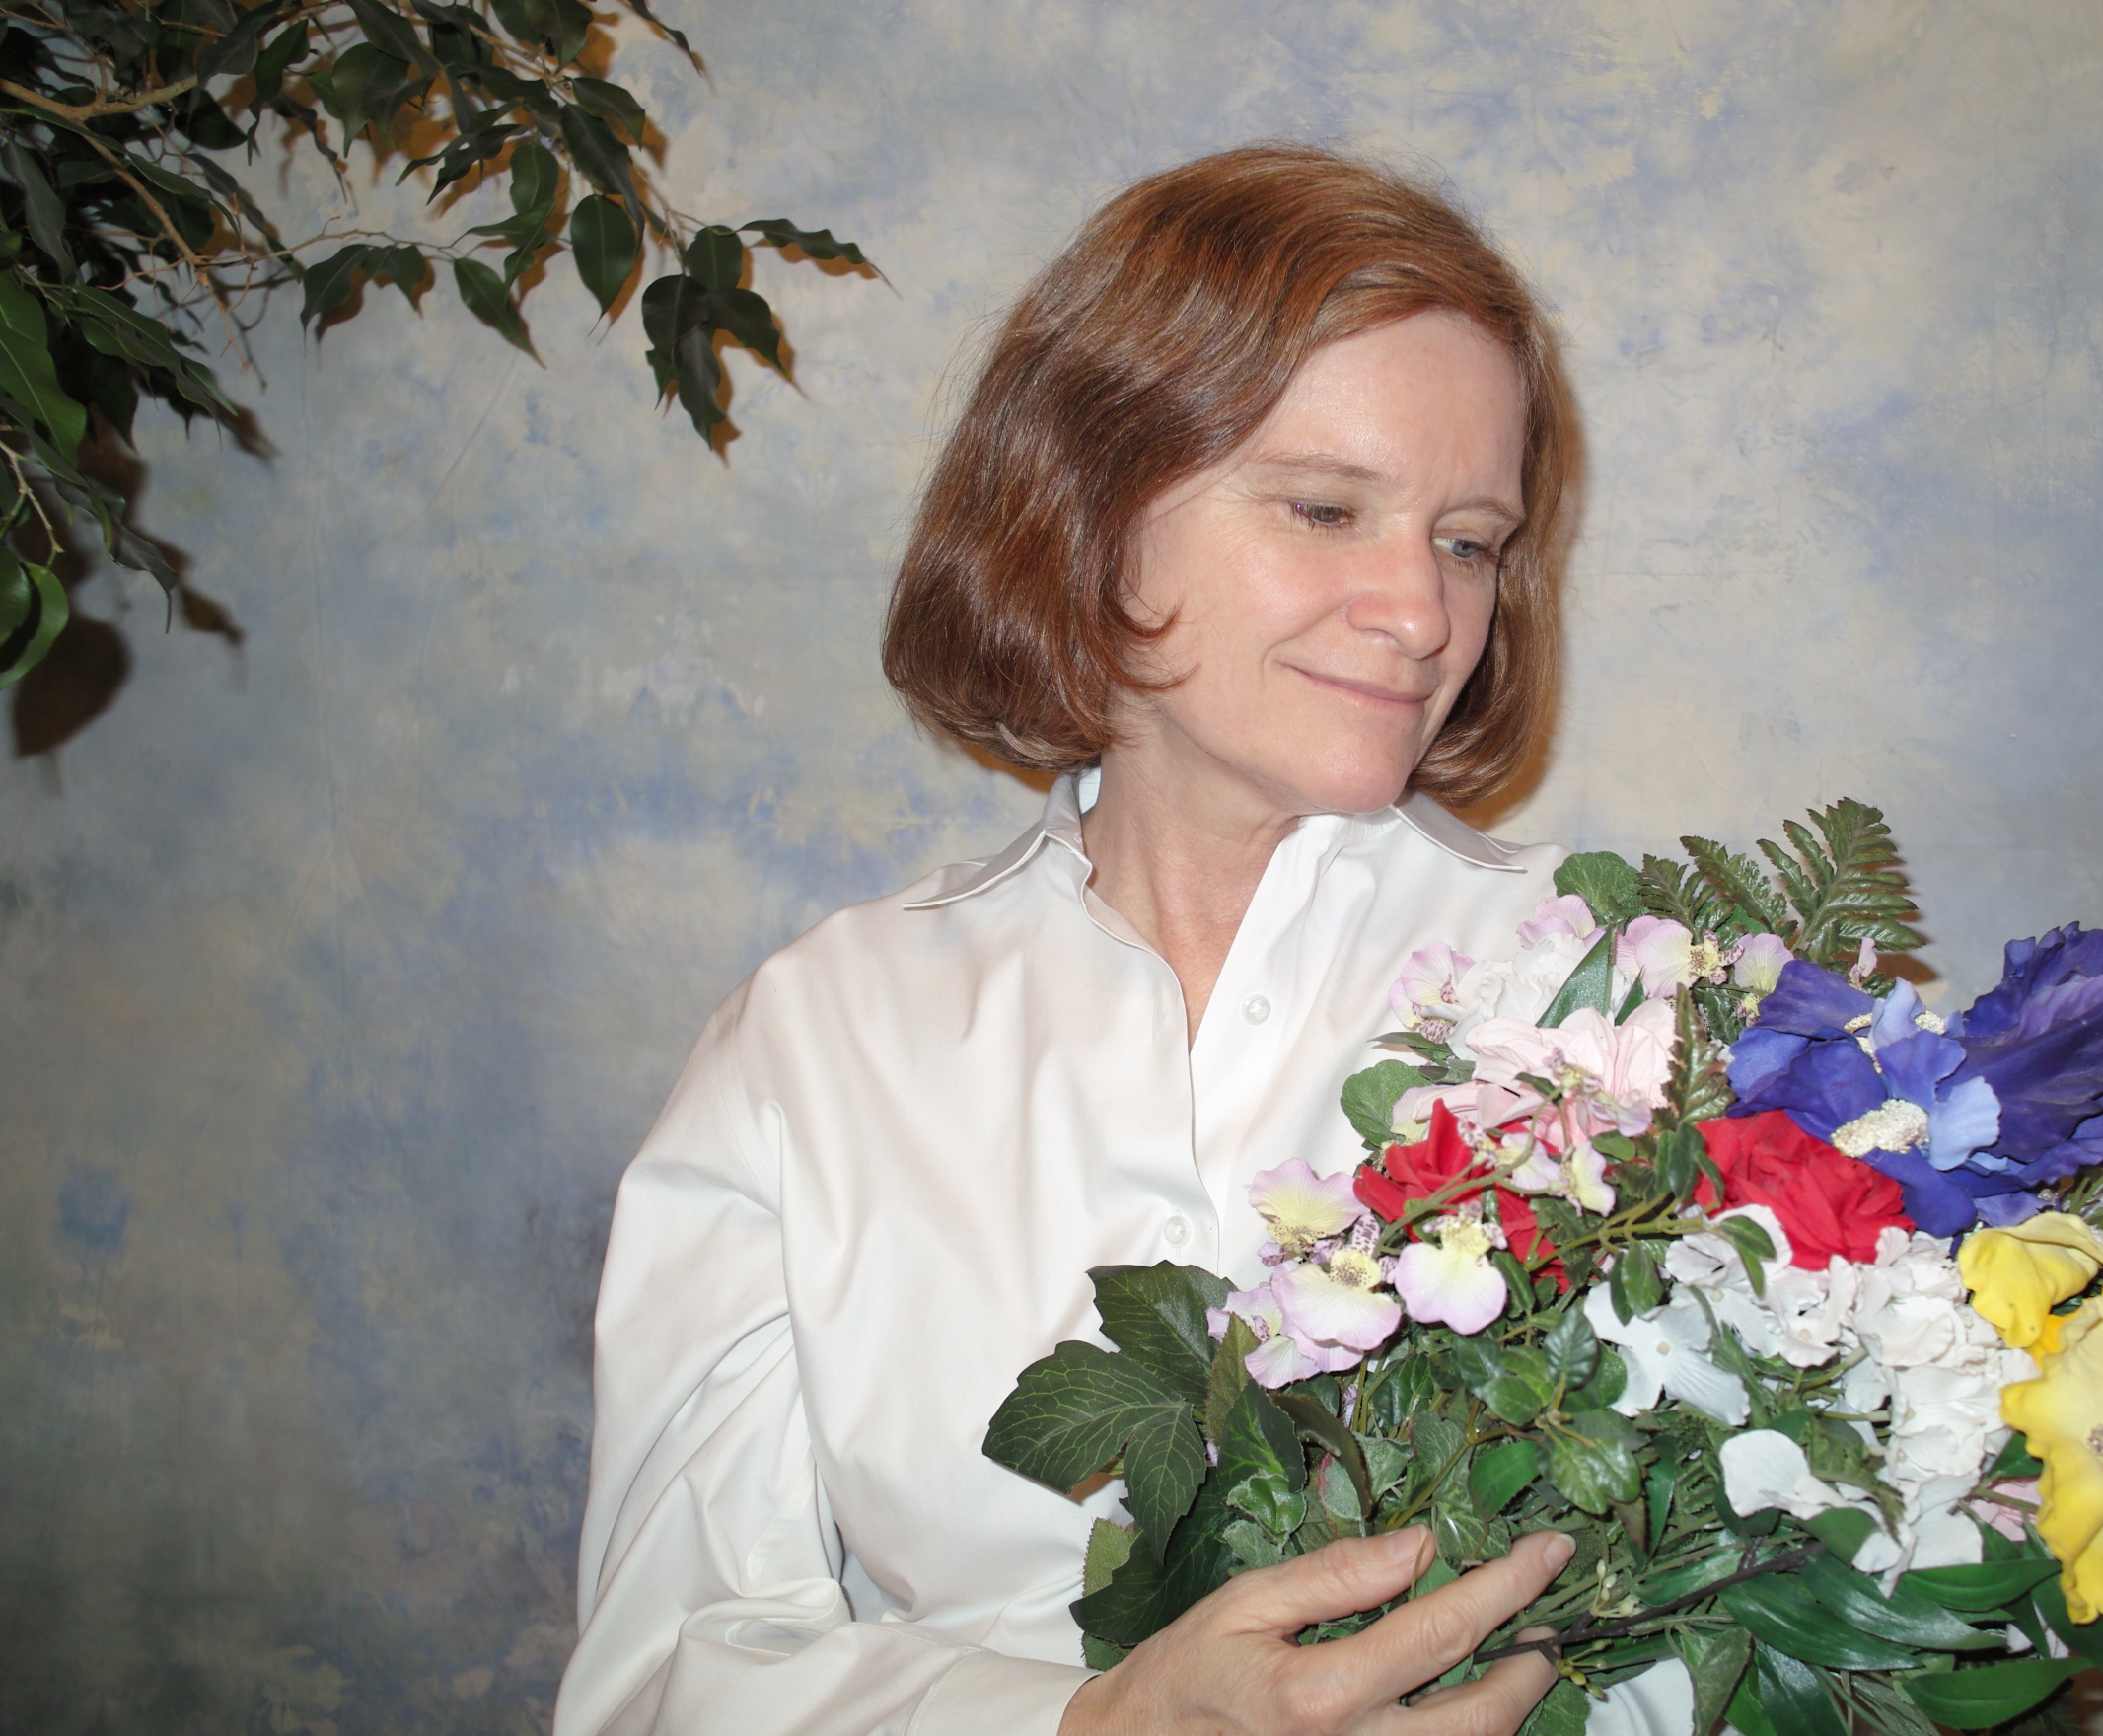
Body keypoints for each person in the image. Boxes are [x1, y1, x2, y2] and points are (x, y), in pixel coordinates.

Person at [557, 144, 1690, 1736]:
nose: (1423, 613)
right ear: (1086, 505)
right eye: (1325, 507)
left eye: (1467, 539)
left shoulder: (1628, 1001)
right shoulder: (817, 1044)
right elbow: (663, 1677)